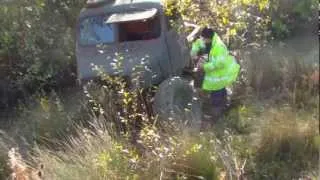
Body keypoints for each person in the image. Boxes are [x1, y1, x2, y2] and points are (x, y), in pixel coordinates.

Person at [190, 27, 240, 129]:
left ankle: (216, 119)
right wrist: (194, 51)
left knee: (217, 94)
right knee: (220, 92)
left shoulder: (219, 47)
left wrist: (204, 67)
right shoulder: (207, 40)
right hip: (216, 76)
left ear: (209, 38)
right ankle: (224, 107)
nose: (202, 41)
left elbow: (219, 64)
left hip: (221, 75)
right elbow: (198, 43)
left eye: (204, 39)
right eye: (202, 38)